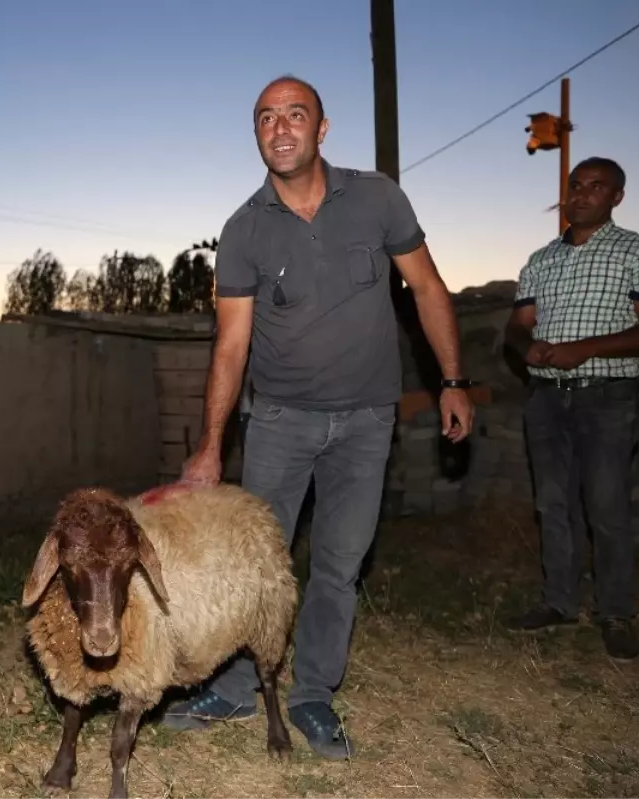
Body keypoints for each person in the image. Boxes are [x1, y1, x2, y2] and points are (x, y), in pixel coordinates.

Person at [162, 76, 475, 759]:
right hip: (279, 422)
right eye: (266, 118)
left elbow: (426, 286)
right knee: (258, 563)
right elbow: (232, 343)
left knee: (340, 560)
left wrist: (452, 379)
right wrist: (212, 444)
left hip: (366, 422)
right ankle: (239, 685)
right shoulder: (243, 229)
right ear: (257, 135)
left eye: (294, 114)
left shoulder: (377, 198)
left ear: (322, 129)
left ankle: (312, 694)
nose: (280, 128)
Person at [504, 157, 639, 661]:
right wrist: (527, 349)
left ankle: (617, 613)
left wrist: (585, 348)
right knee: (552, 505)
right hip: (546, 397)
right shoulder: (541, 259)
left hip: (606, 396)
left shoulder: (635, 251)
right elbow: (519, 325)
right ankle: (558, 603)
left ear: (616, 197)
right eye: (576, 185)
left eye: (596, 187)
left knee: (606, 508)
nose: (582, 194)